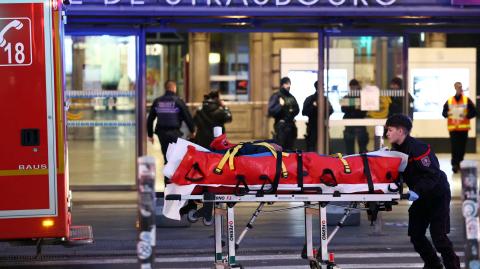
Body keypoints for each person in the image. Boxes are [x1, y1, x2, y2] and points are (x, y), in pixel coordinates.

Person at [385, 114, 460, 269]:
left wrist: (416, 191)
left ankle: (453, 266)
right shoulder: (396, 150)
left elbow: (432, 174)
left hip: (437, 195)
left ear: (401, 131)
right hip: (421, 196)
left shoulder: (418, 148)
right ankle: (433, 264)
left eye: (390, 130)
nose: (387, 133)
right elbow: (398, 174)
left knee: (439, 237)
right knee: (416, 234)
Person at [147, 80, 195, 163]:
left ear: (166, 88)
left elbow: (150, 119)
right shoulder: (178, 101)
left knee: (166, 155)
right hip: (174, 133)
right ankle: (171, 174)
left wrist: (150, 135)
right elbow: (187, 117)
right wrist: (192, 130)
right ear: (174, 88)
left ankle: (167, 174)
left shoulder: (157, 101)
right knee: (174, 157)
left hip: (161, 133)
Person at [442, 82, 476, 173]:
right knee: (454, 147)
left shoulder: (466, 100)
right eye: (457, 87)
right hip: (453, 129)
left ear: (462, 88)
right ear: (455, 88)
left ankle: (460, 162)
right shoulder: (449, 100)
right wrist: (448, 114)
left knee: (462, 147)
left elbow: (474, 112)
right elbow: (444, 113)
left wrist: (467, 116)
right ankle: (455, 165)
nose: (459, 89)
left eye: (460, 87)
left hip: (464, 128)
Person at [268, 77, 300, 150]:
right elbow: (271, 111)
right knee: (281, 148)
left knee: (290, 147)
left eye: (289, 84)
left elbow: (297, 109)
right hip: (281, 125)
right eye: (286, 84)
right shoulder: (276, 96)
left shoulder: (291, 97)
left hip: (290, 125)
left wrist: (291, 112)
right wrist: (280, 105)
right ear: (282, 85)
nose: (288, 86)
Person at [302, 81, 333, 152]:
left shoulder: (325, 99)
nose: (324, 89)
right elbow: (304, 112)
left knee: (326, 147)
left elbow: (331, 110)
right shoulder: (310, 99)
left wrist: (324, 109)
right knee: (312, 148)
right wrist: (314, 107)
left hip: (323, 126)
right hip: (313, 127)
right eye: (322, 87)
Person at [341, 79, 368, 154]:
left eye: (354, 87)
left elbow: (364, 110)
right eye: (351, 87)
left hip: (359, 123)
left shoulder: (363, 97)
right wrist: (356, 107)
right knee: (350, 148)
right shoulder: (347, 97)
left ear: (357, 86)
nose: (353, 89)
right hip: (351, 124)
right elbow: (343, 109)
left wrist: (351, 106)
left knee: (362, 148)